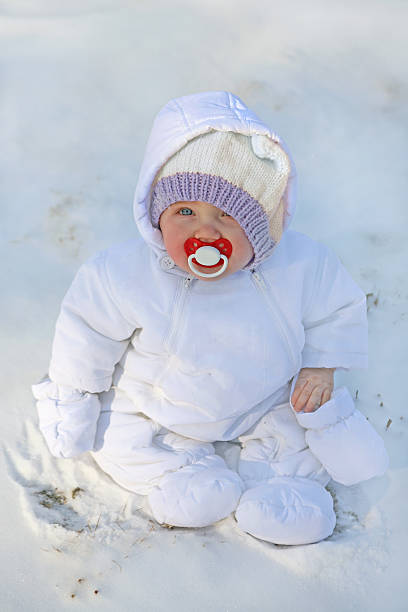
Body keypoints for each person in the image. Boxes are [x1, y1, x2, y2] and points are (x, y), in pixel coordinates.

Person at [32, 91, 388, 545]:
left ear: (263, 227)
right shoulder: (124, 273)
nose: (204, 231)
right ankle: (179, 472)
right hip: (161, 404)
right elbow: (86, 331)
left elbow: (336, 308)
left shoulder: (301, 266)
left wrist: (321, 364)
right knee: (118, 432)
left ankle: (287, 489)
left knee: (296, 424)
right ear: (157, 214)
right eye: (185, 212)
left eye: (226, 216)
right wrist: (74, 393)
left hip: (264, 397)